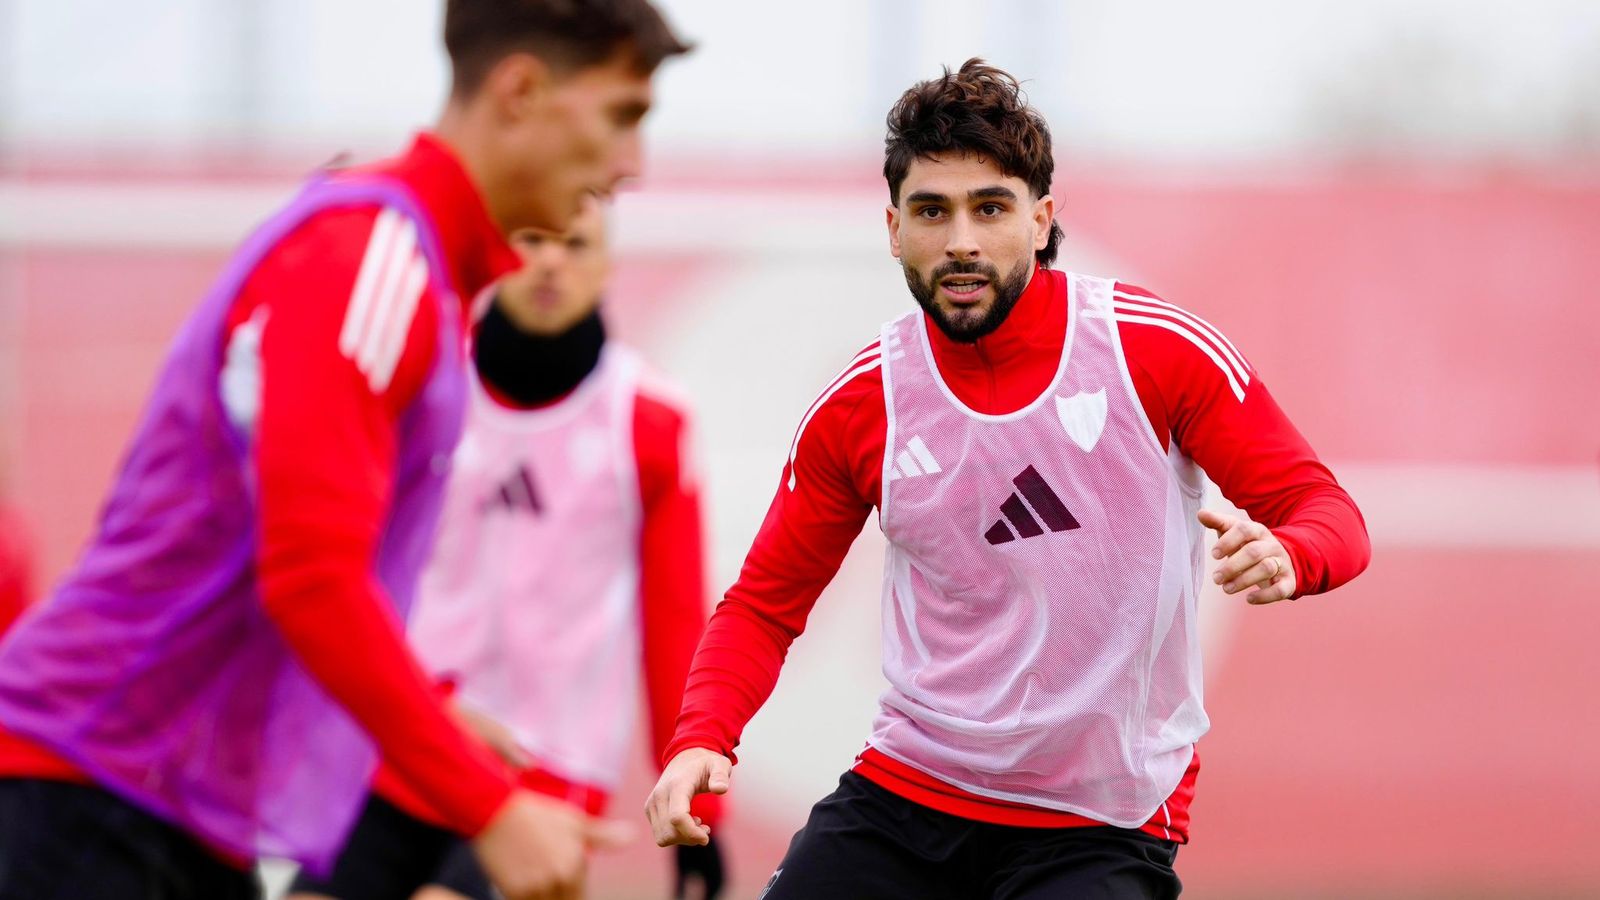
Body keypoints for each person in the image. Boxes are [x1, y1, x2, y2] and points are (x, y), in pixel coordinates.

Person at [0, 3, 689, 899]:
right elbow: (311, 576)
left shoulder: (419, 279)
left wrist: (429, 720)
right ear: (520, 91)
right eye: (623, 116)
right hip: (92, 792)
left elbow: (281, 559)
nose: (632, 165)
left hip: (162, 803)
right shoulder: (373, 257)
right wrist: (491, 807)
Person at [645, 59, 1371, 899]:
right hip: (906, 798)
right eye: (931, 210)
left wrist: (1292, 553)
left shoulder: (1156, 352)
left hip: (1100, 825)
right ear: (892, 229)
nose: (960, 239)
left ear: (1041, 220)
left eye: (990, 208)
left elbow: (1327, 511)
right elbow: (765, 605)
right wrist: (704, 735)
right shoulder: (863, 403)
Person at [289, 198, 725, 900]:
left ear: (607, 266)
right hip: (401, 747)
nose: (551, 260)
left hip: (545, 772)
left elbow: (675, 624)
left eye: (576, 245)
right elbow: (344, 570)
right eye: (532, 235)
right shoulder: (424, 384)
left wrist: (704, 805)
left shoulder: (651, 419)